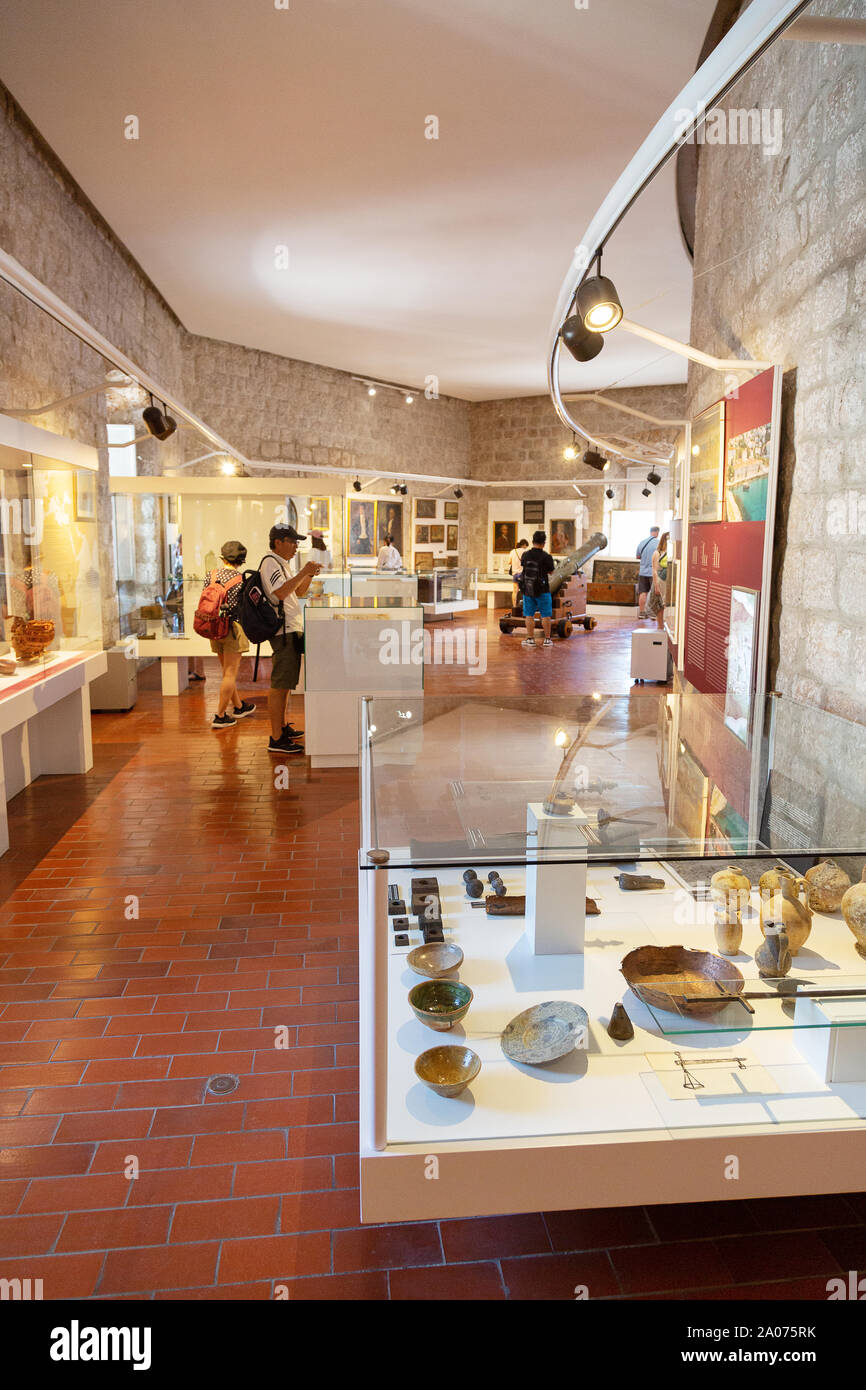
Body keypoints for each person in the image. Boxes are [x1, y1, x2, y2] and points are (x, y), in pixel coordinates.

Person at [260, 524, 322, 755]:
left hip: (291, 628)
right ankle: (276, 738)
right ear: (278, 542)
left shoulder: (281, 563)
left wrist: (307, 574)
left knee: (286, 685)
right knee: (279, 685)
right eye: (292, 541)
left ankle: (282, 728)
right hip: (283, 631)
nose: (296, 546)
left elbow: (299, 592)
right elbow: (280, 593)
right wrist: (302, 572)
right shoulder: (270, 562)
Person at [205, 541, 255, 730]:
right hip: (233, 628)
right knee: (230, 673)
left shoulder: (211, 575)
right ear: (241, 561)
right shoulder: (241, 579)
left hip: (214, 627)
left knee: (226, 672)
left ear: (222, 557)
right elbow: (243, 607)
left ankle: (239, 706)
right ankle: (219, 716)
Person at [520, 530, 556, 648]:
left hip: (528, 589)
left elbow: (524, 568)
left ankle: (530, 639)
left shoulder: (525, 555)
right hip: (543, 590)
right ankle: (547, 640)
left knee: (529, 615)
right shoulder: (547, 557)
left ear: (532, 541)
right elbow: (551, 572)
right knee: (545, 615)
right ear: (544, 543)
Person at [636, 526, 660, 618]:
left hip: (642, 572)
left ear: (650, 532)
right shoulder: (658, 543)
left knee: (643, 592)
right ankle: (653, 615)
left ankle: (642, 613)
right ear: (657, 532)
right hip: (653, 572)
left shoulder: (642, 543)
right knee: (655, 593)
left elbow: (638, 557)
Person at [648, 530, 669, 630]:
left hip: (669, 581)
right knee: (659, 604)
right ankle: (660, 626)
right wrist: (656, 585)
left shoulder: (673, 553)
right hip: (660, 580)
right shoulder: (657, 553)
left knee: (665, 604)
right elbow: (655, 570)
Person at [507, 538, 529, 606]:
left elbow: (509, 562)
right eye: (526, 546)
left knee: (515, 591)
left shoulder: (513, 551)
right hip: (522, 574)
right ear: (524, 545)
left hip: (515, 574)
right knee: (524, 591)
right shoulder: (525, 552)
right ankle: (525, 606)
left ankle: (514, 607)